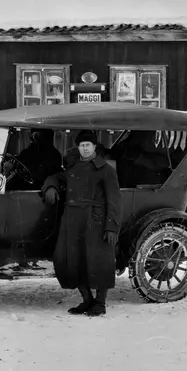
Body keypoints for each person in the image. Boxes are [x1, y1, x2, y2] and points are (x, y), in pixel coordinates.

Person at [42, 130, 122, 316]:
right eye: (81, 145)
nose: (84, 148)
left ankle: (100, 303)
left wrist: (112, 226)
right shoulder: (73, 167)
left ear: (94, 146)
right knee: (73, 259)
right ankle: (87, 300)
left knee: (99, 261)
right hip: (72, 221)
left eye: (88, 145)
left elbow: (115, 200)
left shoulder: (106, 170)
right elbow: (56, 177)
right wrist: (51, 186)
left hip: (96, 220)